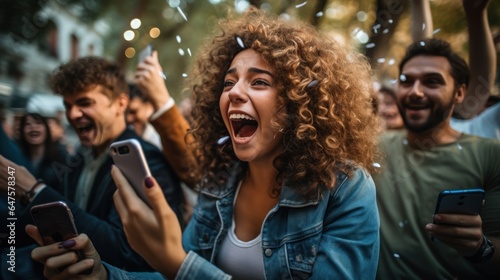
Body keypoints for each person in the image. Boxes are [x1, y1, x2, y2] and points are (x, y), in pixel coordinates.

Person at [27, 7, 381, 279]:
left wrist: (180, 266)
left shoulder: (346, 188)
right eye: (229, 83)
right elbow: (170, 274)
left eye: (258, 82)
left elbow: (180, 269)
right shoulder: (220, 181)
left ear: (299, 103)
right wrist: (102, 274)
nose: (236, 92)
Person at [0, 56, 185, 274]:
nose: (73, 114)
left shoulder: (145, 161)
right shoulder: (80, 157)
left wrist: (33, 191)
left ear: (120, 103)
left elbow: (131, 253)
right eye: (67, 105)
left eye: (85, 103)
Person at [374, 38, 500, 279]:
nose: (415, 91)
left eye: (432, 82)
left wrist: (479, 248)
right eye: (406, 81)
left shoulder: (491, 155)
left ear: (460, 92)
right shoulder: (371, 146)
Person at [17, 112, 69, 190]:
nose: (33, 127)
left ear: (47, 130)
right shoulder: (15, 157)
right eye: (28, 124)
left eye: (38, 123)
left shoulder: (61, 158)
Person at [126, 84, 163, 149]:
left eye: (133, 112)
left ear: (149, 107)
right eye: (125, 113)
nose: (128, 118)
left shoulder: (161, 139)